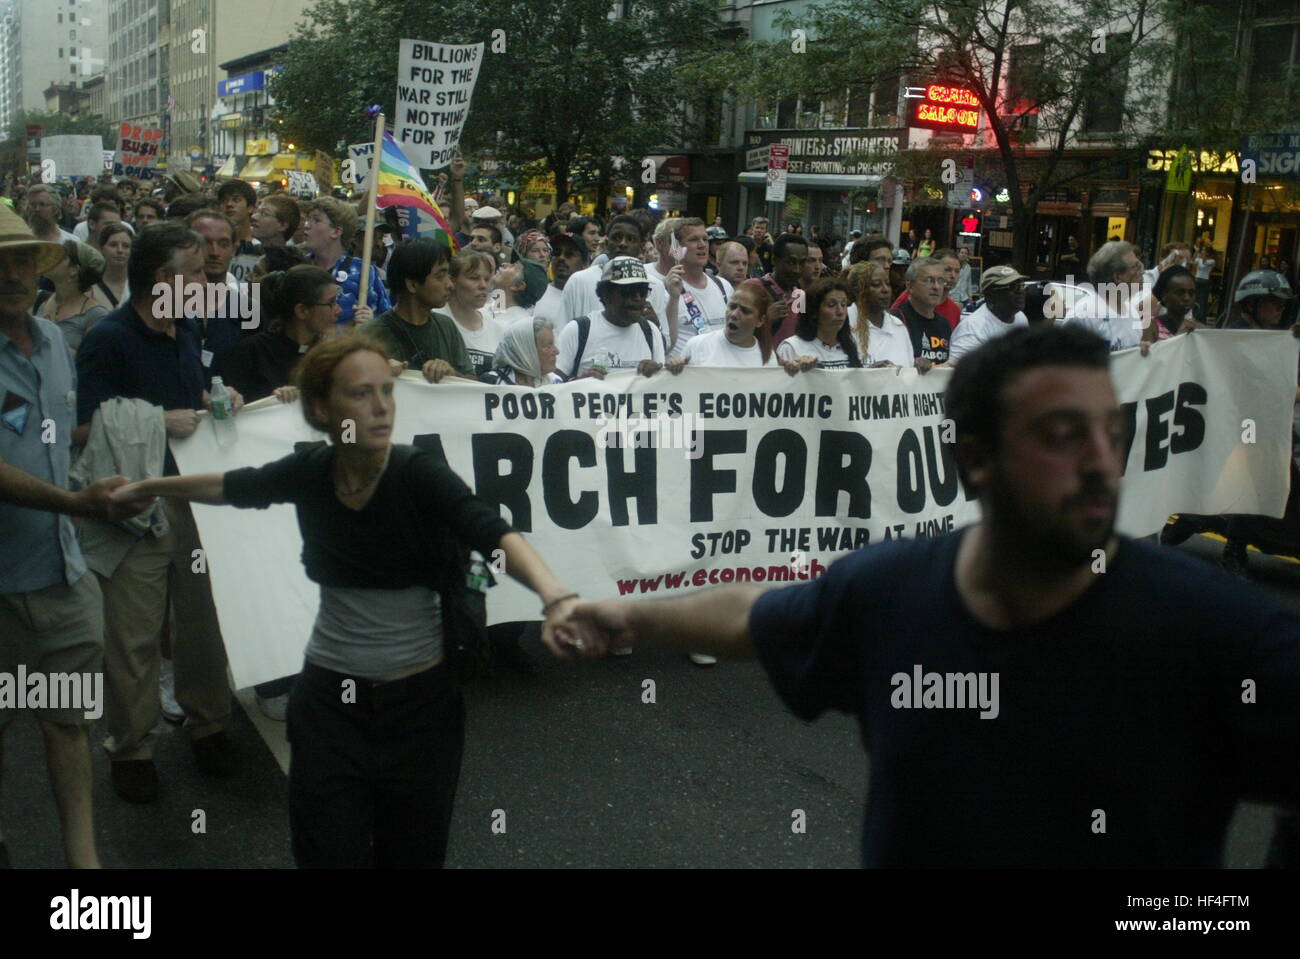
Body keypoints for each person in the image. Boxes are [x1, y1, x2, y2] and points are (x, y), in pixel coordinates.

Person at [562, 323, 1300, 868]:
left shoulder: (1221, 631)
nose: (1103, 462)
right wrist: (628, 613)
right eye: (1062, 434)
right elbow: (758, 615)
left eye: (1111, 431)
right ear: (974, 458)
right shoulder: (888, 590)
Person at [110, 333, 586, 867]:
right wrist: (150, 486)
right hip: (329, 708)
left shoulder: (416, 472)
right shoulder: (312, 469)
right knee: (326, 852)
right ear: (320, 407)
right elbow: (235, 485)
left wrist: (554, 594)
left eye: (387, 390)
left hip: (422, 710)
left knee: (412, 855)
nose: (382, 407)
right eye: (361, 394)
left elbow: (491, 530)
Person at [74, 221, 243, 803]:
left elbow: (189, 399)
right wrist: (155, 419)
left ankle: (210, 724)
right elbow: (79, 429)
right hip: (138, 506)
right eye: (195, 272)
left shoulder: (188, 327)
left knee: (202, 623)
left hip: (194, 500)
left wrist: (216, 402)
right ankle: (132, 748)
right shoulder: (109, 338)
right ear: (161, 279)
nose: (208, 278)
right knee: (134, 635)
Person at [0, 212, 137, 869]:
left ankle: (85, 874)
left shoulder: (54, 340)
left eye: (23, 261)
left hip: (62, 573)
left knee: (67, 724)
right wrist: (75, 502)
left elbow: (61, 434)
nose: (11, 275)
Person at [360, 238, 476, 383]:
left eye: (448, 275)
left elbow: (473, 385)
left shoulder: (447, 326)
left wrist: (451, 374)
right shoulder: (369, 335)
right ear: (412, 285)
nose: (450, 285)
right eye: (440, 276)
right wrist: (377, 370)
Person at [221, 265, 341, 404]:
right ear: (302, 311)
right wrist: (272, 401)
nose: (339, 310)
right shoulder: (249, 354)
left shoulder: (330, 355)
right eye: (331, 303)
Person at [561, 216, 680, 333]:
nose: (623, 243)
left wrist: (654, 327)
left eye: (631, 239)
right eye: (616, 238)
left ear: (642, 246)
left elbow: (666, 343)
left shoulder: (655, 285)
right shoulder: (579, 280)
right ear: (607, 243)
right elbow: (562, 331)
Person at [556, 256, 666, 379]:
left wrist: (656, 376)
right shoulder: (577, 330)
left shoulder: (651, 332)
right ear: (606, 294)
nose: (637, 298)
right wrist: (580, 382)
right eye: (629, 291)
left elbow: (663, 388)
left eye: (643, 291)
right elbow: (552, 385)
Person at [301, 197, 390, 327]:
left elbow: (387, 322)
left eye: (316, 220)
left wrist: (371, 323)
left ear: (336, 231)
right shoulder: (298, 267)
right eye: (308, 219)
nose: (307, 225)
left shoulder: (363, 271)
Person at [661, 218, 733, 359]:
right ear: (677, 249)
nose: (702, 245)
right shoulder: (663, 290)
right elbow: (664, 345)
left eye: (705, 240)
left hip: (719, 374)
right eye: (694, 240)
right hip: (683, 376)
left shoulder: (723, 286)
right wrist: (674, 298)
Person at [665, 283, 774, 371]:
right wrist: (674, 369)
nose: (734, 314)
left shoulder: (769, 358)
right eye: (732, 306)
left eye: (745, 311)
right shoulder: (697, 345)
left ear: (760, 320)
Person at [1060, 240, 1146, 352]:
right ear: (1118, 277)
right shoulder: (1083, 316)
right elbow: (1064, 364)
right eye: (1135, 267)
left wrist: (1139, 352)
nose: (1142, 272)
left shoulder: (1132, 312)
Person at [441, 250, 508, 377]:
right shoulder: (435, 319)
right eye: (474, 278)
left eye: (487, 279)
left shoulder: (498, 329)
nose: (483, 285)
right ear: (452, 281)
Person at [774, 277, 861, 371]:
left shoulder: (854, 344)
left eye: (843, 304)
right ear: (814, 312)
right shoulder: (792, 347)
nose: (840, 311)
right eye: (831, 305)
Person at [37, 240, 109, 353]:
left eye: (61, 257)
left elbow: (93, 363)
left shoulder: (95, 315)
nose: (53, 259)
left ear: (74, 270)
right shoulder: (39, 299)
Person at [948, 266, 1031, 363]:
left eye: (1021, 285)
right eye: (1013, 287)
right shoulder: (972, 330)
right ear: (990, 296)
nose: (1020, 291)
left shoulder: (1020, 317)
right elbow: (962, 373)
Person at [845, 261, 913, 369]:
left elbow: (909, 372)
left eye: (888, 284)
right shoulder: (842, 321)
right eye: (876, 285)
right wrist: (870, 373)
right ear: (857, 291)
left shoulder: (898, 325)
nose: (885, 290)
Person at [744, 232, 808, 346]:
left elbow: (800, 331)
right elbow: (735, 331)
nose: (797, 269)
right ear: (774, 260)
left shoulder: (799, 293)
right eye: (791, 262)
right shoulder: (752, 287)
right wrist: (766, 319)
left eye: (802, 263)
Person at [897, 257, 952, 369]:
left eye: (941, 281)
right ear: (910, 286)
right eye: (928, 280)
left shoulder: (944, 323)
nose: (936, 287)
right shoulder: (896, 320)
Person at [481, 315, 563, 386]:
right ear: (525, 351)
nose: (557, 351)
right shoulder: (492, 383)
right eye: (547, 346)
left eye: (553, 345)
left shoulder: (556, 382)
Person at [892, 248, 962, 330]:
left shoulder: (954, 311)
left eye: (957, 271)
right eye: (947, 269)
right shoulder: (909, 298)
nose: (953, 276)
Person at [533, 232, 587, 324]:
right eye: (557, 253)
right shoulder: (537, 295)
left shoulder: (592, 297)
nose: (561, 258)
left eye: (569, 254)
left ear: (585, 264)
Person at [1142, 265, 1203, 344]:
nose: (1187, 298)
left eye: (1191, 293)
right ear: (1164, 295)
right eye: (1180, 293)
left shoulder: (1198, 329)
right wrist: (1179, 337)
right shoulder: (1151, 327)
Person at [217, 180, 261, 284]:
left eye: (236, 200)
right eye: (224, 200)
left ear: (251, 208)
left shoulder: (260, 247)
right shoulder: (213, 246)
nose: (229, 204)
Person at [490, 254, 549, 327]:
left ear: (518, 286)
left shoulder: (518, 326)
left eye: (513, 266)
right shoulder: (487, 307)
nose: (504, 264)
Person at [90, 223, 132, 310]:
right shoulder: (90, 289)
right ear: (101, 248)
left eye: (126, 246)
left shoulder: (142, 286)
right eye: (113, 245)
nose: (120, 250)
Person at [1193, 243, 1216, 319]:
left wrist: (1203, 255)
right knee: (1194, 299)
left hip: (1204, 282)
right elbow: (1193, 260)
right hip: (1197, 280)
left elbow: (1204, 262)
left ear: (1208, 252)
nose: (1202, 252)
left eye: (1204, 250)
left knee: (1202, 300)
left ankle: (1201, 318)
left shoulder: (1212, 261)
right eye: (1202, 250)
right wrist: (1196, 251)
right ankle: (1194, 315)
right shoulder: (1199, 259)